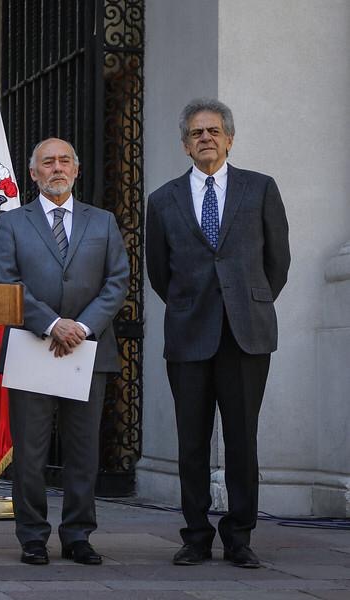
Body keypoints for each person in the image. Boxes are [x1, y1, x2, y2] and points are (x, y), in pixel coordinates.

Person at [146, 99, 290, 569]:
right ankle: (195, 536)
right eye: (195, 132)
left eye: (213, 131)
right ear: (185, 145)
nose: (205, 137)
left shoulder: (260, 189)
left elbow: (277, 263)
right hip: (189, 333)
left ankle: (239, 536)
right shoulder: (163, 199)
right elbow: (158, 272)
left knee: (241, 440)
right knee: (191, 440)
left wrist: (247, 302)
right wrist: (192, 306)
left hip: (245, 335)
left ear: (229, 138)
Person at [0, 137, 128, 566]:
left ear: (77, 169)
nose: (57, 168)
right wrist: (53, 324)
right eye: (47, 162)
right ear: (33, 173)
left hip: (88, 351)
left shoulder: (103, 221)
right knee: (30, 452)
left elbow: (117, 280)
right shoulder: (12, 222)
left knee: (83, 452)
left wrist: (82, 327)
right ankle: (33, 536)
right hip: (34, 345)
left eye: (64, 160)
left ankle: (78, 535)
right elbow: (7, 281)